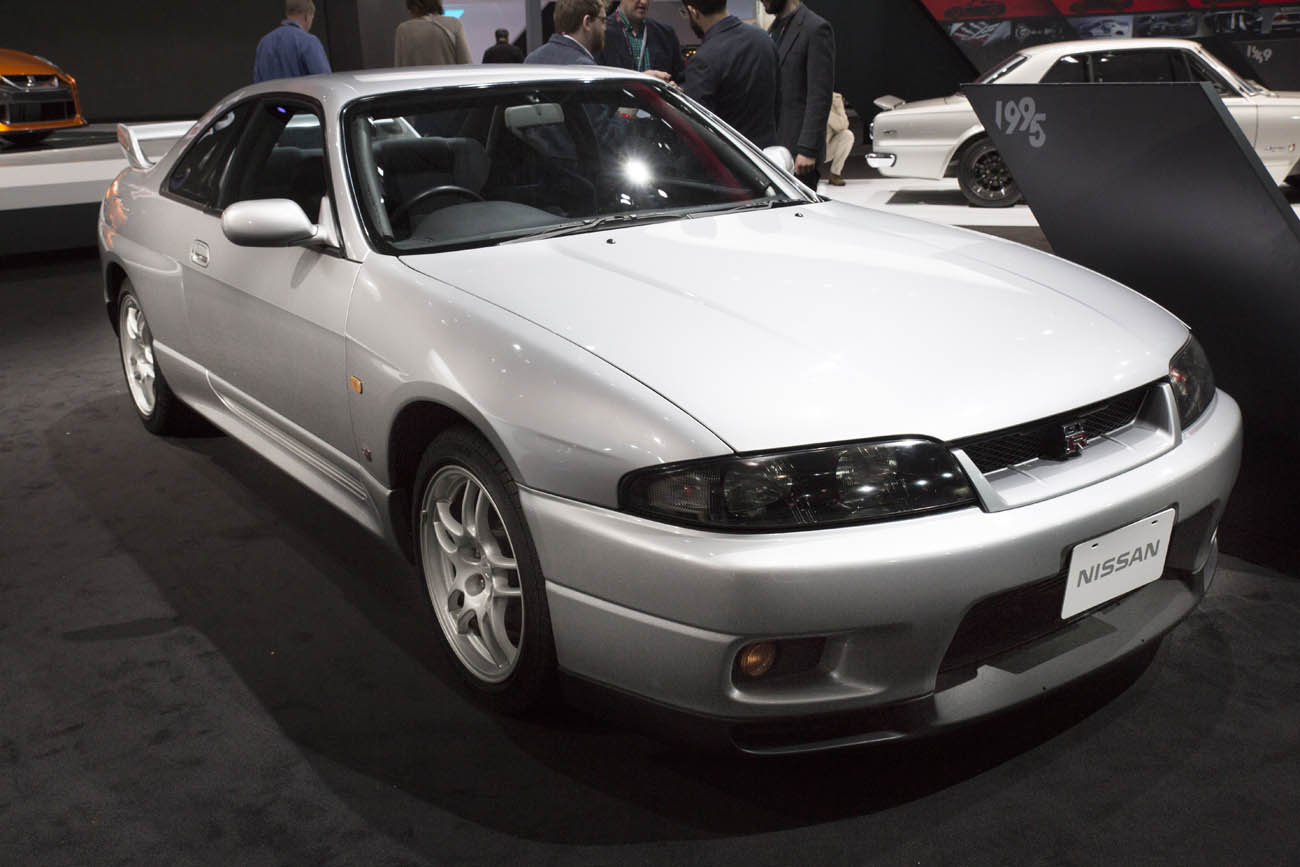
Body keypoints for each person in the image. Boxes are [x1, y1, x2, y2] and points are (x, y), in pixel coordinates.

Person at [679, 0, 779, 148]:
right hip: (766, 159)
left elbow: (696, 130)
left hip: (729, 162)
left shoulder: (703, 59)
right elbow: (778, 103)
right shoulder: (764, 40)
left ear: (693, 12)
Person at [764, 0, 834, 185]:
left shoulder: (816, 28)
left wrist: (808, 149)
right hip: (772, 149)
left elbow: (819, 95)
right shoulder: (772, 29)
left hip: (798, 154)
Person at [598, 0, 685, 84]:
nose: (644, 2)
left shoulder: (666, 34)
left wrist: (676, 88)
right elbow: (598, 84)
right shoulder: (600, 33)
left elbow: (682, 80)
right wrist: (640, 81)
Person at [253, 0, 331, 83]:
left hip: (271, 96)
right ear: (307, 16)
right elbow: (324, 81)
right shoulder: (309, 41)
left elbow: (257, 83)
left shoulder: (263, 43)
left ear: (288, 14)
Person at [525, 0, 606, 65]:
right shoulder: (586, 69)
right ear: (587, 22)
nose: (605, 28)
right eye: (603, 20)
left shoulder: (531, 60)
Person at [395, 0, 472, 67]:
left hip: (417, 83)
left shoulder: (403, 29)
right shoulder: (454, 24)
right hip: (448, 82)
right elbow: (466, 63)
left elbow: (400, 67)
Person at [824, 91, 853, 186]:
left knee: (847, 135)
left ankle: (835, 174)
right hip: (799, 148)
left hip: (823, 149)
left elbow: (842, 126)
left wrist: (826, 109)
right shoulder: (800, 96)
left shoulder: (835, 98)